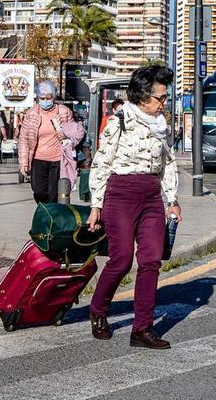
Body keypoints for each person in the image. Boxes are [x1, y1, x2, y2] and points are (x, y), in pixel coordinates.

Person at [86, 64, 181, 350]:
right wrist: (96, 205)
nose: (164, 103)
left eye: (166, 97)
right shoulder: (120, 120)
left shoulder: (161, 125)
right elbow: (101, 162)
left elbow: (168, 163)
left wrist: (172, 200)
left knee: (151, 260)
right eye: (160, 98)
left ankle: (142, 329)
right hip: (121, 194)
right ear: (142, 97)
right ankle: (98, 309)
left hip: (151, 195)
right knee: (122, 260)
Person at [18, 82, 76, 203]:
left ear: (54, 97)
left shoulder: (64, 112)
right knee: (39, 191)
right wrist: (23, 162)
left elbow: (75, 132)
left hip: (58, 159)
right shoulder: (31, 114)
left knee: (53, 194)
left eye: (48, 98)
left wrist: (66, 135)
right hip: (38, 159)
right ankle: (44, 212)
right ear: (37, 97)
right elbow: (23, 139)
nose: (45, 101)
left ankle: (51, 218)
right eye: (42, 98)